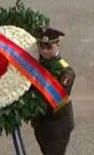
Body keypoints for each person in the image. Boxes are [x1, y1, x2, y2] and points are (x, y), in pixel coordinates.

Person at [31, 27, 76, 155]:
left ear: (57, 45)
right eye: (42, 47)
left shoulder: (66, 72)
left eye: (49, 47)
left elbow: (57, 99)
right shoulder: (36, 65)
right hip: (40, 124)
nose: (44, 51)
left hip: (58, 126)